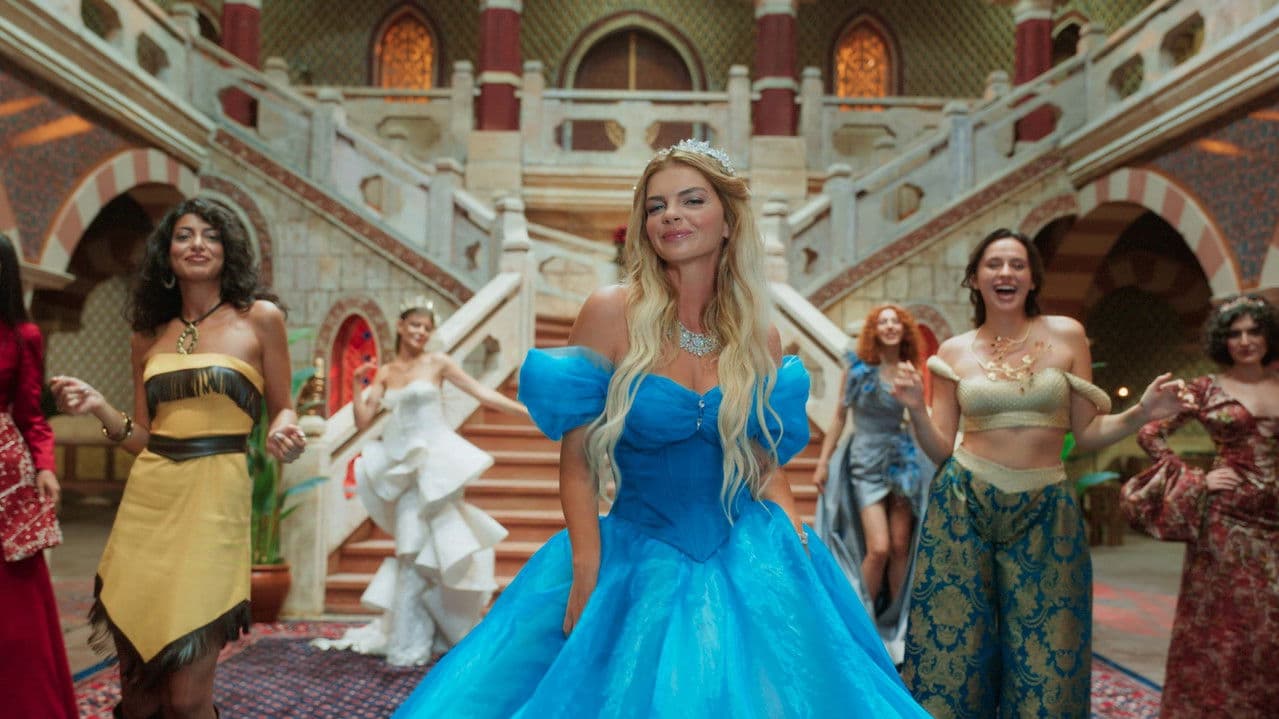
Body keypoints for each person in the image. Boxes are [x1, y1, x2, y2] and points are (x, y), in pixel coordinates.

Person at [391, 140, 930, 717]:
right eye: (656, 206)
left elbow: (763, 461)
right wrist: (587, 568)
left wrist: (794, 538)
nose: (671, 215)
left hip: (750, 547)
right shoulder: (610, 312)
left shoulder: (760, 336)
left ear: (728, 221)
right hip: (636, 551)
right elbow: (578, 463)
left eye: (691, 200)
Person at [891, 228, 1190, 719]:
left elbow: (1086, 433)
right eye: (993, 264)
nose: (1005, 273)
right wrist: (914, 409)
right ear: (975, 279)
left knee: (1050, 650)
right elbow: (941, 447)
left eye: (1017, 264)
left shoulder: (1066, 334)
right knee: (955, 650)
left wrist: (1141, 411)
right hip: (963, 504)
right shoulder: (954, 350)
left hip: (1046, 507)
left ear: (1032, 279)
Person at [49, 197, 305, 719]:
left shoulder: (260, 319)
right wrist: (99, 406)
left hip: (214, 505)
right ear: (167, 254)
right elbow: (144, 437)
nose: (197, 245)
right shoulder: (148, 335)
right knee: (139, 694)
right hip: (148, 505)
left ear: (228, 250)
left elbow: (283, 407)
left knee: (187, 698)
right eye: (184, 235)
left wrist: (285, 429)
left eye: (210, 235)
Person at [313, 296, 526, 666]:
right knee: (410, 549)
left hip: (437, 466)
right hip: (404, 467)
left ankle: (439, 633)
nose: (420, 332)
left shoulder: (438, 362)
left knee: (442, 544)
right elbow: (363, 420)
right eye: (415, 325)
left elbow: (480, 391)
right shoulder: (386, 372)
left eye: (426, 328)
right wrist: (359, 383)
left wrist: (525, 411)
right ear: (400, 326)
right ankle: (410, 638)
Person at [1120, 294, 1279, 718]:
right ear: (1222, 340)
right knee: (1225, 626)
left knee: (1269, 629)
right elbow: (1150, 434)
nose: (1245, 341)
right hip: (1227, 524)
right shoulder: (1205, 388)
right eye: (1235, 333)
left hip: (1276, 524)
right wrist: (1197, 480)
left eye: (1254, 331)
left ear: (1268, 336)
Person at [812, 303, 934, 664]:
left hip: (901, 462)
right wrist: (823, 462)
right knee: (878, 548)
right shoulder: (857, 370)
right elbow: (838, 418)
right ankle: (857, 626)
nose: (890, 326)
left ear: (904, 329)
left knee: (900, 546)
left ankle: (896, 628)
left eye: (896, 321)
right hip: (864, 461)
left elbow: (918, 418)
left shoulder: (911, 371)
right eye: (883, 321)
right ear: (874, 330)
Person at [0, 233, 77, 718]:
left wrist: (45, 467)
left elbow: (32, 415)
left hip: (5, 480)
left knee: (14, 609)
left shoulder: (23, 335)